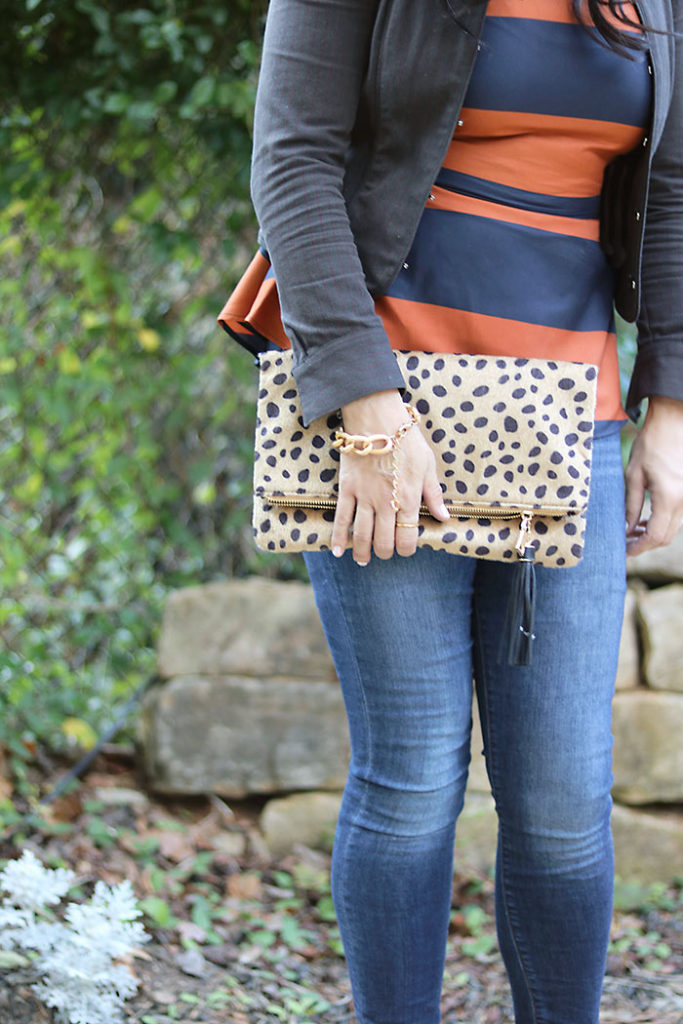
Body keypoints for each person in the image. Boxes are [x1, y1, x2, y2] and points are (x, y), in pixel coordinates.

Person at [225, 1, 683, 1021]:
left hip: (572, 419)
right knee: (408, 781)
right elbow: (292, 159)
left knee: (564, 805)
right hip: (385, 410)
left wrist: (670, 408)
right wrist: (368, 414)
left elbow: (675, 186)